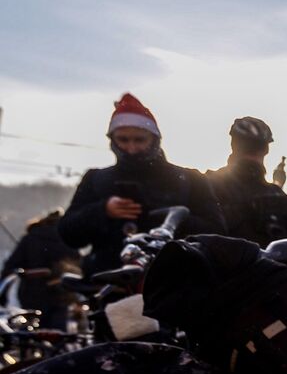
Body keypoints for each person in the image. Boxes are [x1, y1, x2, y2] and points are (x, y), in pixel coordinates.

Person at [58, 93, 225, 274]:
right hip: (109, 283)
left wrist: (168, 218)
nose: (131, 148)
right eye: (123, 140)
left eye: (139, 140)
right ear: (113, 140)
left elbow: (217, 233)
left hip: (174, 282)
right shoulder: (96, 179)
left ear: (154, 139)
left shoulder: (190, 179)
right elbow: (68, 234)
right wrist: (102, 211)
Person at [205, 117, 287, 246]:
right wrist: (247, 209)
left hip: (271, 262)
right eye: (247, 149)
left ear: (265, 151)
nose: (252, 158)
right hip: (226, 260)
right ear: (234, 147)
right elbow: (206, 227)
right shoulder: (212, 184)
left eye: (258, 149)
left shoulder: (276, 194)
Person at [1, 211, 80, 328]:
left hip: (32, 294)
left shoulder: (30, 238)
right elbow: (78, 266)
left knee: (31, 330)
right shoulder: (69, 239)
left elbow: (10, 266)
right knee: (57, 333)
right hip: (61, 295)